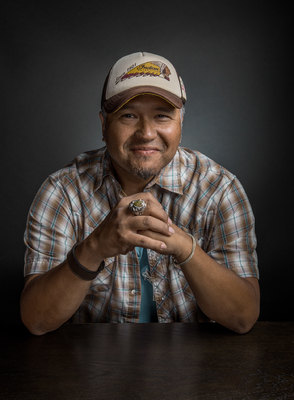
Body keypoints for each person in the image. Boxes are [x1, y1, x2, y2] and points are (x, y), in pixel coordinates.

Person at [20, 51, 260, 335]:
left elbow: (243, 317)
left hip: (194, 371)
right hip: (90, 369)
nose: (146, 133)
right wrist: (94, 247)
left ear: (180, 124)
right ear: (103, 125)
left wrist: (183, 247)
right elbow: (36, 321)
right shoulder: (63, 191)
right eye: (129, 116)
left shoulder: (219, 189)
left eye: (162, 116)